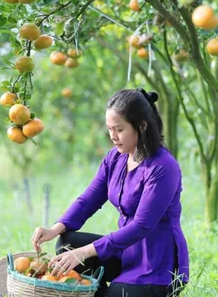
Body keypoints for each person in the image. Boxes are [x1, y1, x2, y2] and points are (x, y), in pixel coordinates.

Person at [31, 88, 189, 297]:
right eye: (109, 129)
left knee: (98, 277)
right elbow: (88, 200)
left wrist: (85, 252)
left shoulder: (163, 167)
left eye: (119, 129)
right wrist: (54, 229)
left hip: (156, 266)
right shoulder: (116, 158)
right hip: (126, 253)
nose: (113, 136)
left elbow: (141, 226)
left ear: (142, 126)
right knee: (67, 244)